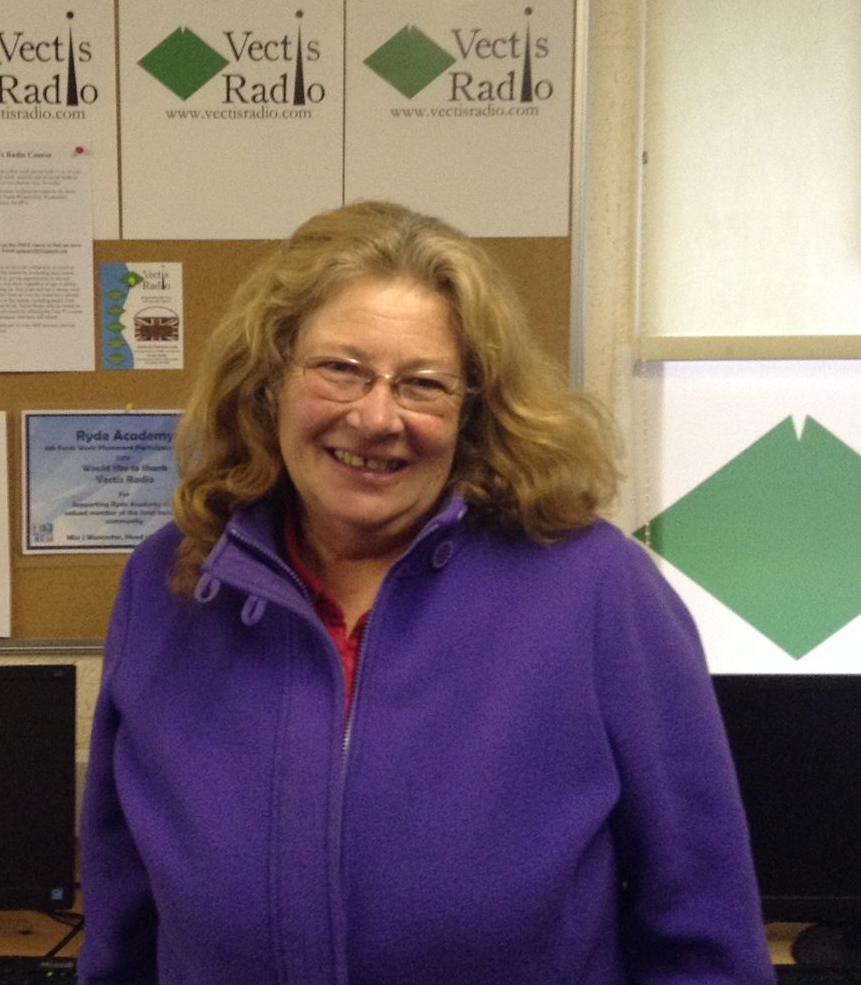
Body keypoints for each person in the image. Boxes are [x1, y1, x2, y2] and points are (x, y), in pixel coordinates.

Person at [79, 200, 774, 984]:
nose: (376, 417)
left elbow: (704, 930)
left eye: (422, 384)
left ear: (474, 410)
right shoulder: (171, 581)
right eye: (339, 368)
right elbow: (121, 917)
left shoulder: (594, 589)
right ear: (269, 379)